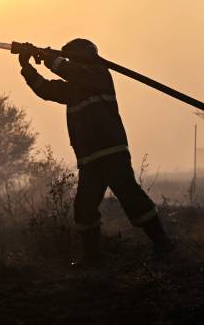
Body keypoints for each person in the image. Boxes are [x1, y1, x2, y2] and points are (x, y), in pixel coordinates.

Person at [17, 39, 173, 265]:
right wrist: (27, 67)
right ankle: (92, 257)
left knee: (131, 196)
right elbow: (46, 90)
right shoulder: (74, 87)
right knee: (84, 207)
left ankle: (163, 244)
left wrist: (50, 58)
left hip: (111, 151)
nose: (70, 61)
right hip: (89, 158)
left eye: (72, 57)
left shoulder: (99, 74)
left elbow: (72, 71)